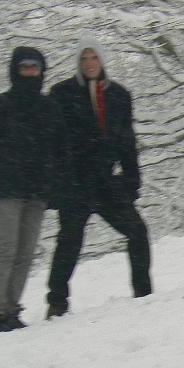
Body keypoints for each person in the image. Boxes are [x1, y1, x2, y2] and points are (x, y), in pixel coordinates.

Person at [45, 37, 151, 318]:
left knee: (137, 231)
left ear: (102, 61)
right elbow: (52, 144)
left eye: (94, 58)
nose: (90, 64)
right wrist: (56, 184)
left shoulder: (119, 95)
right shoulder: (61, 94)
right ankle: (56, 302)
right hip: (74, 182)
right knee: (69, 241)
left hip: (107, 181)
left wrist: (132, 180)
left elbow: (128, 141)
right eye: (84, 59)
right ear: (78, 63)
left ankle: (144, 293)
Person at [0, 47, 67, 339]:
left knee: (26, 252)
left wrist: (55, 187)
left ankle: (12, 309)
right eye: (24, 66)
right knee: (7, 248)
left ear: (41, 71)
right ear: (15, 70)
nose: (29, 71)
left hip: (37, 193)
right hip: (7, 191)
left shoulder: (49, 107)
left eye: (34, 67)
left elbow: (60, 150)